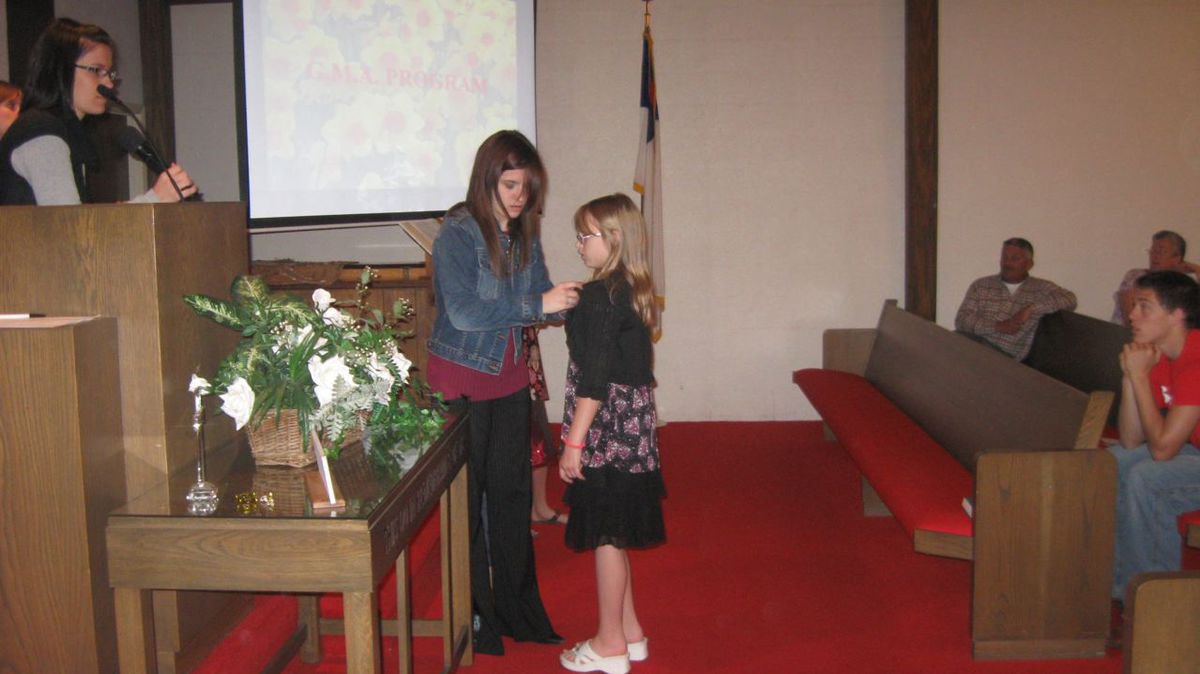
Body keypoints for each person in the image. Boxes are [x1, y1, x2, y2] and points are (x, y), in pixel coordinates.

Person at [426, 129, 580, 656]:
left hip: (510, 378)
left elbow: (544, 302)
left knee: (513, 501)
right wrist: (539, 304)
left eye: (527, 187)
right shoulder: (458, 234)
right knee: (469, 509)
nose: (520, 196)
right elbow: (465, 314)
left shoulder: (525, 234)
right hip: (462, 381)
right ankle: (477, 620)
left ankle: (519, 613)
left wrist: (580, 297)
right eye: (511, 184)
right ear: (487, 178)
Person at [558, 193, 666, 674]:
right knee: (615, 531)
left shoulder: (602, 296)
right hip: (632, 425)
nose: (579, 245)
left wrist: (574, 442)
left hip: (604, 427)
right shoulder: (628, 289)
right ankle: (631, 633)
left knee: (604, 535)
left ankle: (608, 644)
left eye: (587, 235)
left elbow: (594, 378)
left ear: (615, 239)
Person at [0, 17, 198, 205]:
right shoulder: (41, 132)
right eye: (96, 71)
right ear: (62, 69)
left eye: (109, 73)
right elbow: (68, 222)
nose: (108, 83)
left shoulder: (60, 129)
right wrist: (156, 198)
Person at [1108, 270, 1200, 608]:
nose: (1132, 314)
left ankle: (1156, 605)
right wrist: (1131, 378)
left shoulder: (1197, 360)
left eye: (1144, 306)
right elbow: (1131, 440)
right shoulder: (1160, 353)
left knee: (1150, 478)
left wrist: (1141, 378)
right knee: (1118, 460)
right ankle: (1123, 587)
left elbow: (1162, 450)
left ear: (1177, 314)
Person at [954, 237, 1077, 361]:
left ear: (1029, 264)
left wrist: (1031, 309)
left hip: (1007, 357)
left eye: (1015, 258)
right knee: (945, 340)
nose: (1007, 263)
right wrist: (998, 326)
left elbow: (1070, 299)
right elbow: (961, 320)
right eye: (1004, 257)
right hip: (975, 346)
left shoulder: (1040, 288)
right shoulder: (981, 285)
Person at [526, 324, 569, 529]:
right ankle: (513, 517)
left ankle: (539, 508)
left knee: (538, 435)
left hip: (525, 349)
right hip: (502, 351)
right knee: (512, 442)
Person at [1112, 230, 1200, 325]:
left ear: (1176, 258)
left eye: (1161, 251)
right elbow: (1131, 320)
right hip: (1126, 336)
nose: (1155, 255)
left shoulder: (1182, 286)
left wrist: (1196, 269)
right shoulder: (1136, 275)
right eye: (1153, 250)